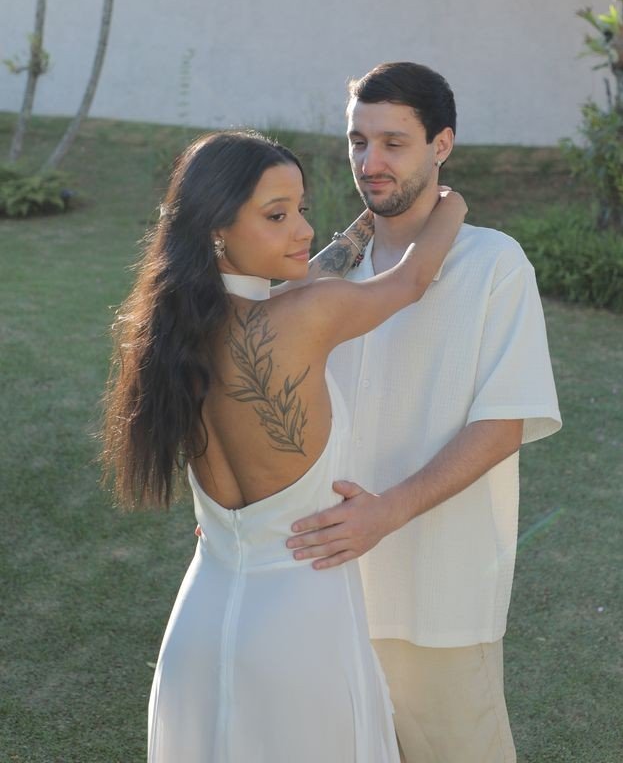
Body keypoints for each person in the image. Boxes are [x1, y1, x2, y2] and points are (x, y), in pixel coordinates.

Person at [100, 129, 467, 763]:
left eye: (301, 208)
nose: (302, 228)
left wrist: (358, 229)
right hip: (300, 629)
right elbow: (410, 281)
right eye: (277, 216)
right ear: (218, 231)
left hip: (202, 619)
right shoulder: (311, 313)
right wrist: (451, 199)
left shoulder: (175, 329)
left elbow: (300, 278)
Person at [285, 62, 562, 763]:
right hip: (324, 586)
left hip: (439, 595)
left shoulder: (494, 263)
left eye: (393, 143)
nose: (369, 162)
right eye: (358, 141)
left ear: (442, 144)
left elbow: (503, 423)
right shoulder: (321, 275)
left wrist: (387, 512)